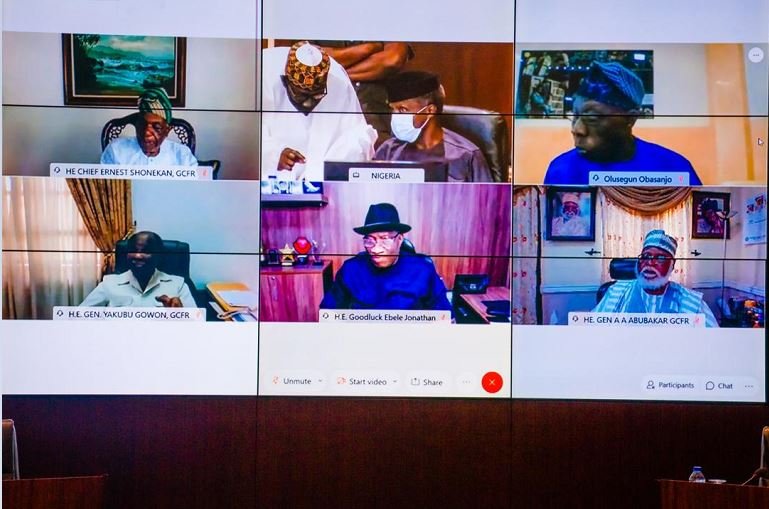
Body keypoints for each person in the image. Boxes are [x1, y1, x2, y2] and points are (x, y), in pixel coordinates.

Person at [544, 62, 702, 185]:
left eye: (592, 117)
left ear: (630, 119)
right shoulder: (561, 171)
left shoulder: (673, 168)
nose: (577, 129)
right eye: (575, 115)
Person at [261, 41, 377, 181]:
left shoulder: (337, 79)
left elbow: (356, 135)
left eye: (316, 95)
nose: (308, 102)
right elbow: (240, 132)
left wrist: (322, 172)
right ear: (285, 80)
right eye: (302, 95)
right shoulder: (262, 73)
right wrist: (273, 154)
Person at [320, 203, 452, 311]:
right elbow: (327, 313)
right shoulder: (350, 269)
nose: (376, 249)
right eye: (369, 240)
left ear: (399, 239)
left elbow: (444, 317)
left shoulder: (423, 269)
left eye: (384, 239)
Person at [374, 71, 492, 182]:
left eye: (403, 110)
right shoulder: (388, 151)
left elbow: (488, 201)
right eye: (393, 109)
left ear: (430, 110)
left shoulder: (466, 155)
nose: (395, 116)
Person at [593, 229, 718, 327]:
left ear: (672, 265)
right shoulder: (616, 291)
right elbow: (593, 329)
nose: (650, 263)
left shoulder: (691, 301)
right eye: (645, 256)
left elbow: (712, 342)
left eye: (660, 258)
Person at [314, 41, 413, 144]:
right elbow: (312, 60)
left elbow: (392, 60)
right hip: (327, 119)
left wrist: (335, 73)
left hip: (376, 121)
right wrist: (371, 47)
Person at [81, 231, 196, 308]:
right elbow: (79, 316)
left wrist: (181, 315)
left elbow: (197, 326)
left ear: (159, 256)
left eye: (146, 251)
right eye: (133, 250)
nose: (138, 256)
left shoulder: (178, 285)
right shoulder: (109, 284)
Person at [100, 88, 198, 166]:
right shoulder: (116, 151)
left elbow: (194, 188)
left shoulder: (183, 156)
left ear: (167, 131)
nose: (147, 132)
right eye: (142, 124)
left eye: (157, 127)